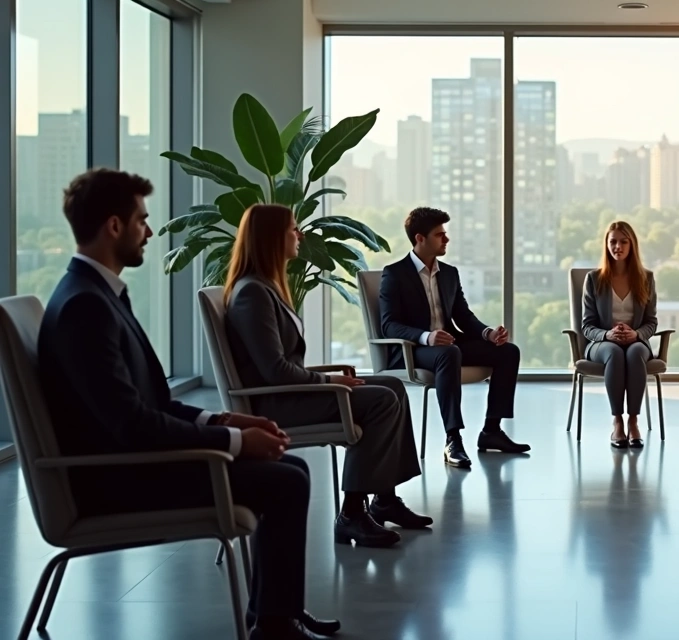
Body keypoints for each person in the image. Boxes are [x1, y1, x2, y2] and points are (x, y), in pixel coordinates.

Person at [38, 169, 337, 640]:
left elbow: (145, 403)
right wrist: (235, 441)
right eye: (142, 220)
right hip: (117, 480)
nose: (150, 232)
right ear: (114, 226)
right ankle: (276, 623)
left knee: (292, 470)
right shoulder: (86, 308)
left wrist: (223, 418)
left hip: (129, 461)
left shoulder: (94, 295)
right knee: (285, 481)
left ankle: (275, 614)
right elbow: (132, 424)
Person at [224, 204, 430, 549]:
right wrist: (328, 381)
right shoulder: (253, 294)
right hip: (276, 404)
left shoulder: (265, 288)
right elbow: (274, 370)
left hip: (289, 393)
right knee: (380, 400)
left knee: (392, 384)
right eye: (293, 229)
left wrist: (328, 378)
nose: (299, 235)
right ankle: (351, 513)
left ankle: (384, 498)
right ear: (272, 238)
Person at [379, 206, 530, 468]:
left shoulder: (449, 273)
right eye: (440, 235)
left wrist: (488, 333)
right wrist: (427, 336)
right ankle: (453, 440)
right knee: (450, 352)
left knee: (508, 351)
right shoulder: (395, 273)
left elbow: (464, 316)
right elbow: (389, 325)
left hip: (449, 346)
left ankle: (491, 431)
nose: (446, 239)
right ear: (420, 238)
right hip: (413, 349)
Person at [580, 221, 659, 448]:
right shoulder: (594, 279)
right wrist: (608, 335)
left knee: (634, 353)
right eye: (613, 241)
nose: (618, 247)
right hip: (602, 343)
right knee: (615, 352)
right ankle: (617, 422)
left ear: (632, 245)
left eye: (623, 242)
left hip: (636, 341)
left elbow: (651, 322)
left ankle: (633, 422)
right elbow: (587, 326)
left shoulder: (646, 278)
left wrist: (636, 334)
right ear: (606, 245)